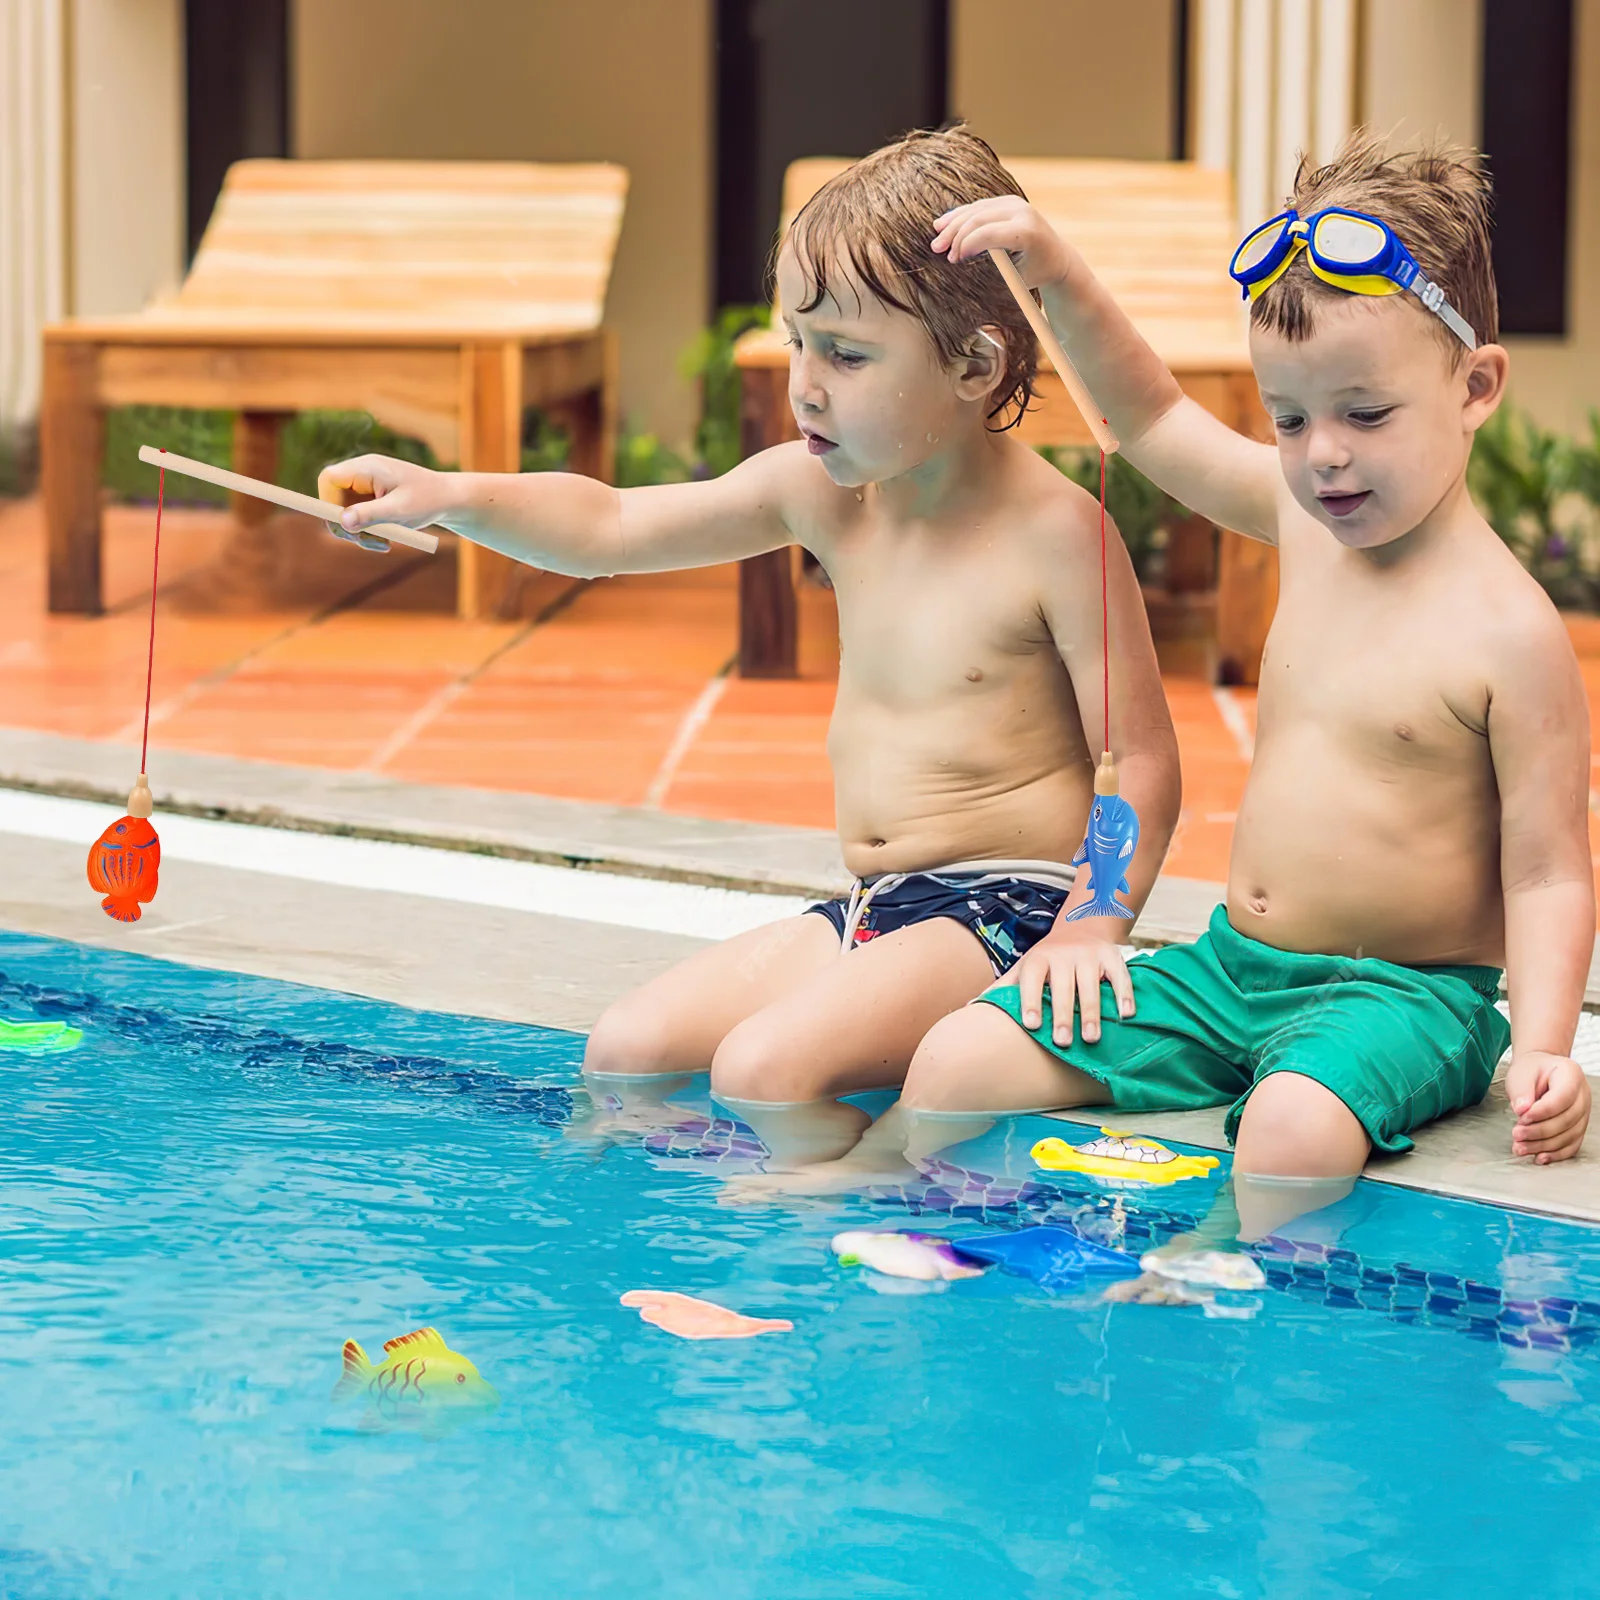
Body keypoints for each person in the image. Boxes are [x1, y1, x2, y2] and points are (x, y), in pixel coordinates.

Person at [317, 127, 1180, 1167]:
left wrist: (1094, 924)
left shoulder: (1053, 534)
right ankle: (799, 1180)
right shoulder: (824, 492)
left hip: (1009, 911)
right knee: (625, 1052)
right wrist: (454, 497)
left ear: (973, 365)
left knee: (760, 1072)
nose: (805, 385)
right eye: (797, 345)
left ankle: (866, 1186)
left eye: (847, 355)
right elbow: (610, 526)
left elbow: (1139, 758)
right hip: (871, 906)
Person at [890, 129, 1593, 1199]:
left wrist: (1544, 1043)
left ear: (1475, 386)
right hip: (1230, 970)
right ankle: (984, 1291)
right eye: (1291, 417)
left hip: (1404, 998)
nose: (1322, 453)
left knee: (1291, 1131)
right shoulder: (1300, 518)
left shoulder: (1508, 630)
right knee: (953, 1063)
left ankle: (1213, 1294)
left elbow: (1545, 870)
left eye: (1365, 414)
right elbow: (1149, 415)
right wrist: (1049, 266)